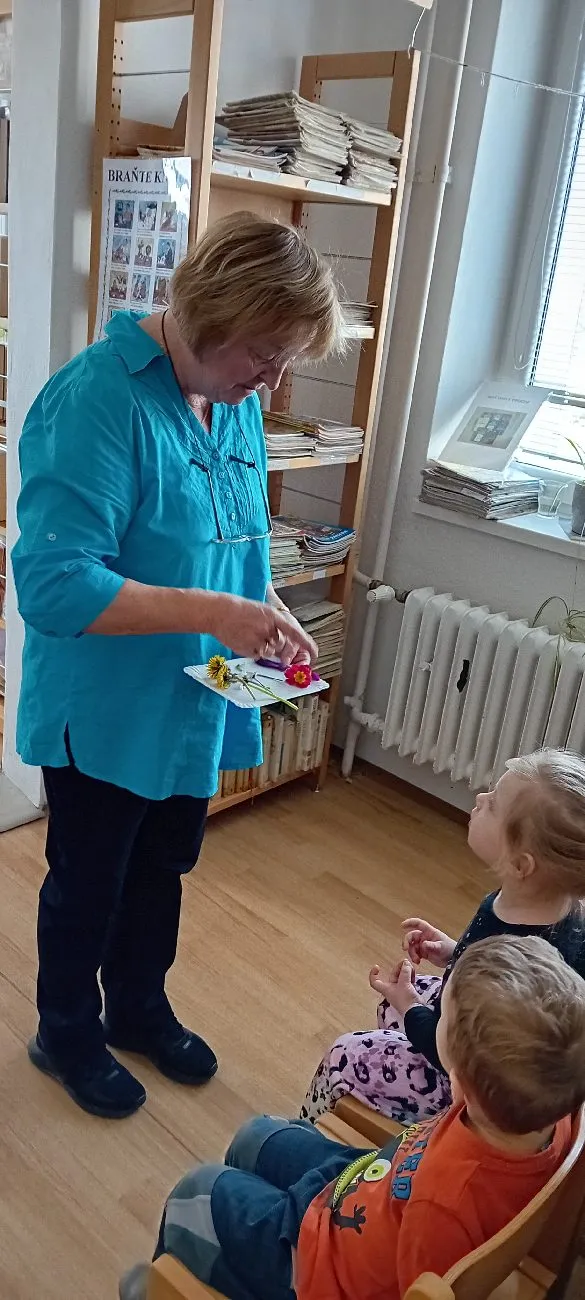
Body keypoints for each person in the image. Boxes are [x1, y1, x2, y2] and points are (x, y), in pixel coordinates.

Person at [13, 211, 343, 1121]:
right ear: (208, 312)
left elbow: (227, 544)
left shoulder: (232, 400)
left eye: (284, 362)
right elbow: (54, 585)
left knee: (162, 866)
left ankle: (137, 1008)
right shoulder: (96, 399)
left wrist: (269, 611)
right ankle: (65, 1031)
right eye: (264, 354)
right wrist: (216, 614)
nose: (270, 381)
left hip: (194, 696)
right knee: (90, 880)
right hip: (107, 707)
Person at [119, 934, 585, 1300]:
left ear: (460, 1082)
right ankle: (227, 1255)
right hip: (367, 1186)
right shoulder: (551, 1109)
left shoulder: (442, 1209)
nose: (435, 1015)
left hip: (325, 1268)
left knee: (198, 1190)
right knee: (256, 1136)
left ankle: (172, 1286)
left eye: (441, 1017)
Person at [302, 747, 585, 1125]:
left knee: (344, 1053)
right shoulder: (549, 904)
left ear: (521, 864)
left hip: (466, 1085)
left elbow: (454, 1052)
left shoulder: (514, 952)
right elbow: (494, 967)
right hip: (486, 1029)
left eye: (493, 804)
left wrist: (410, 1006)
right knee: (393, 1003)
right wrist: (456, 952)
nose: (480, 798)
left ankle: (306, 1128)